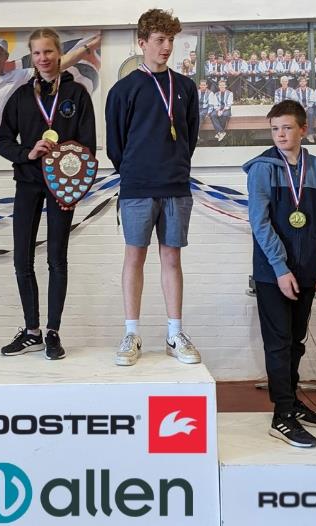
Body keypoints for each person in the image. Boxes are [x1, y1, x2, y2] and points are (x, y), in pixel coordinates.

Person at [106, 8, 200, 366]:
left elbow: (189, 137)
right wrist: (137, 171)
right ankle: (131, 332)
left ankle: (174, 333)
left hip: (175, 184)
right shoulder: (123, 90)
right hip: (137, 187)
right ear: (142, 42)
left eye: (170, 40)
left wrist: (173, 165)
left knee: (171, 257)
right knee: (135, 256)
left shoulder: (186, 87)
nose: (166, 47)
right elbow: (116, 145)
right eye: (159, 40)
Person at [0, 28, 96, 360]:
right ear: (31, 56)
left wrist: (66, 164)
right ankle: (31, 331)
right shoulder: (22, 95)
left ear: (59, 53)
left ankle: (52, 332)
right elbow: (3, 141)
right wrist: (28, 152)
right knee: (21, 258)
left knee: (56, 259)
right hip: (27, 181)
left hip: (61, 187)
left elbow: (88, 146)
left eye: (49, 52)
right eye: (37, 53)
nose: (43, 58)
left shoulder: (77, 94)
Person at [243, 100, 316, 448]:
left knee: (296, 340)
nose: (280, 134)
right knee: (279, 342)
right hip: (273, 273)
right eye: (275, 129)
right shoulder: (262, 169)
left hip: (309, 270)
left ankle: (292, 402)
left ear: (303, 130)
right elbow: (260, 223)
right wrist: (280, 268)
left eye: (286, 128)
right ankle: (281, 415)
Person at [296, 76, 316, 143]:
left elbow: (312, 101)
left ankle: (310, 134)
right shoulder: (296, 91)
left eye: (304, 81)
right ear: (299, 83)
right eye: (301, 81)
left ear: (306, 82)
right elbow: (295, 100)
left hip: (308, 107)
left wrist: (307, 107)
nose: (302, 82)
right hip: (299, 107)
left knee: (311, 113)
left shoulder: (310, 90)